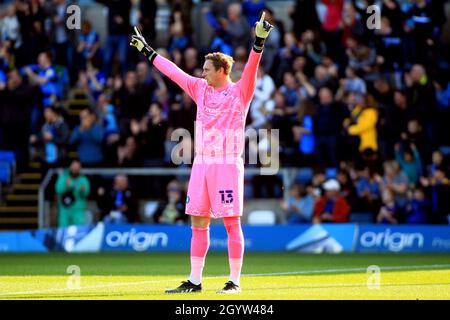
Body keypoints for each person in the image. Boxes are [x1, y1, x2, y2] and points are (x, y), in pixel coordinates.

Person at [130, 12, 273, 294]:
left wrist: (258, 42)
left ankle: (234, 282)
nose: (202, 73)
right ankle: (195, 281)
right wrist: (148, 51)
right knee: (198, 221)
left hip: (227, 165)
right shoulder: (199, 89)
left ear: (221, 71)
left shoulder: (240, 92)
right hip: (202, 165)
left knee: (232, 223)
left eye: (207, 69)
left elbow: (251, 69)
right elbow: (174, 72)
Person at [55, 158, 90, 227]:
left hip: (78, 211)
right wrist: (67, 186)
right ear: (70, 167)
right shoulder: (63, 177)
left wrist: (78, 189)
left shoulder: (83, 179)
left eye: (77, 167)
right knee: (63, 232)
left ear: (80, 168)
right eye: (74, 166)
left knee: (79, 232)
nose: (75, 169)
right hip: (64, 210)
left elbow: (86, 194)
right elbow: (58, 189)